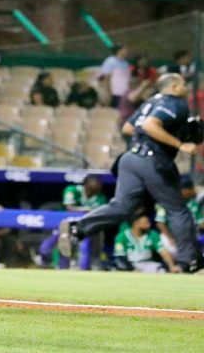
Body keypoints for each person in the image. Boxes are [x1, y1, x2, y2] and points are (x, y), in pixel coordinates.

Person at [59, 73, 204, 273]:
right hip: (153, 160)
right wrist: (179, 144)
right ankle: (191, 262)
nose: (186, 87)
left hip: (130, 158)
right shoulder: (175, 103)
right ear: (175, 86)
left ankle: (77, 229)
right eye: (183, 84)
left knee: (122, 206)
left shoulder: (150, 102)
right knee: (178, 210)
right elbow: (150, 125)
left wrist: (152, 138)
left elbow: (128, 128)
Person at [39, 176, 106, 269]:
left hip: (85, 227)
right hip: (65, 224)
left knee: (95, 234)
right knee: (48, 248)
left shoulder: (100, 197)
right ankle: (47, 264)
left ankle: (91, 264)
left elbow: (99, 213)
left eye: (99, 184)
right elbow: (69, 208)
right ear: (86, 184)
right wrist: (87, 210)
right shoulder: (72, 190)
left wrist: (83, 211)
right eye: (96, 183)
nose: (99, 186)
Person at [155, 175, 204, 257]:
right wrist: (171, 238)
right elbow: (160, 223)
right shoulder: (167, 203)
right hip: (171, 236)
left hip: (191, 235)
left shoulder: (192, 204)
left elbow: (201, 223)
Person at [113, 214, 178, 273]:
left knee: (161, 270)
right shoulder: (121, 236)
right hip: (128, 263)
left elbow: (163, 251)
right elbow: (121, 256)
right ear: (136, 223)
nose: (149, 225)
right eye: (146, 223)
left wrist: (171, 266)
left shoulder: (152, 234)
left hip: (146, 263)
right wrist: (132, 269)